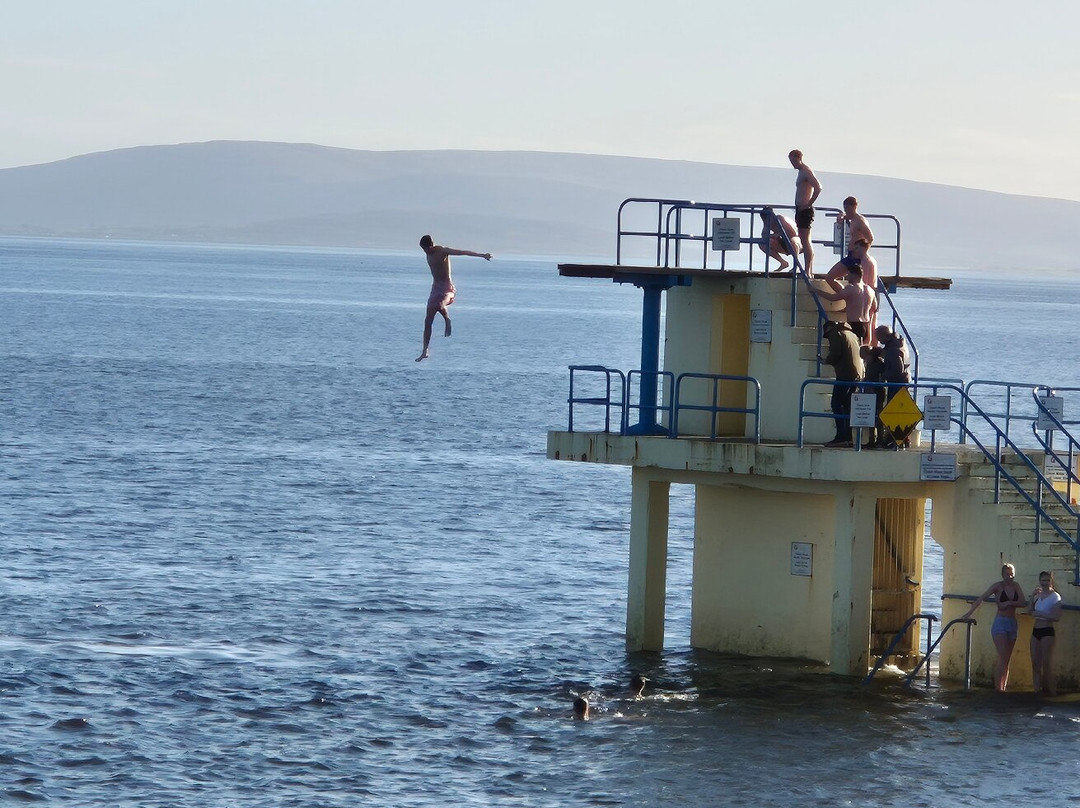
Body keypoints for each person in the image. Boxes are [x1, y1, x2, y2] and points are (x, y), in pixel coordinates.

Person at [415, 234, 492, 362]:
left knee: (439, 304)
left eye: (426, 249)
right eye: (423, 250)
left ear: (431, 245)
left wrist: (482, 255)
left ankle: (447, 320)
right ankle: (425, 351)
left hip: (447, 289)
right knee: (428, 319)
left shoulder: (442, 251)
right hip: (435, 288)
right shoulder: (427, 253)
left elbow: (463, 252)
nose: (425, 252)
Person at [962, 563, 1027, 692]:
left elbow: (1023, 602)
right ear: (1002, 575)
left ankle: (1003, 687)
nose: (1009, 577)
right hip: (1000, 623)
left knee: (1006, 660)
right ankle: (998, 689)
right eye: (1007, 574)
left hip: (1012, 623)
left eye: (1011, 574)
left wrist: (1009, 602)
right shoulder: (998, 586)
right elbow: (982, 598)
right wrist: (969, 613)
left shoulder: (1016, 586)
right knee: (1002, 657)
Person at [821, 320, 864, 446]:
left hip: (845, 375)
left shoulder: (835, 333)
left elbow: (836, 353)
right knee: (847, 406)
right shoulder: (851, 333)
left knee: (836, 404)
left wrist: (826, 361)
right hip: (857, 374)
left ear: (828, 329)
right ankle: (848, 437)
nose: (828, 338)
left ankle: (841, 437)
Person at [815, 263, 878, 346]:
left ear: (854, 275)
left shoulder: (851, 288)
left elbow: (832, 298)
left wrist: (816, 290)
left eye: (848, 274)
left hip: (854, 324)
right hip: (865, 324)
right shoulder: (870, 290)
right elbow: (874, 308)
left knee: (850, 348)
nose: (847, 277)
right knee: (860, 352)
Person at [1029, 571, 1064, 695]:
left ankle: (1053, 692)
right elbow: (1030, 611)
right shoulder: (1038, 595)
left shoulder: (1055, 597)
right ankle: (1036, 691)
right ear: (1039, 581)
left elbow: (1056, 616)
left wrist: (1041, 614)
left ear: (1051, 581)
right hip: (1036, 630)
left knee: (1046, 664)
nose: (1045, 583)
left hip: (1047, 631)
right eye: (1043, 580)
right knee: (1035, 663)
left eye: (1047, 580)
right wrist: (1032, 596)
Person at [789, 150, 822, 276]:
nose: (792, 164)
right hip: (800, 209)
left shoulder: (806, 171)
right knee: (803, 240)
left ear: (800, 158)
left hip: (805, 210)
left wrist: (808, 204)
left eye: (794, 160)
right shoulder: (800, 172)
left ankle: (808, 271)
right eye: (791, 161)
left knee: (806, 241)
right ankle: (807, 270)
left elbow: (818, 187)